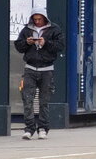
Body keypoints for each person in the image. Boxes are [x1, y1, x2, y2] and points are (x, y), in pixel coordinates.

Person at [13, 9, 65, 140]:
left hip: (47, 69)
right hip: (30, 68)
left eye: (39, 19)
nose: (37, 21)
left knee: (44, 101)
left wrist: (45, 43)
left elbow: (60, 46)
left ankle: (43, 128)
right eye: (35, 19)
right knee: (27, 99)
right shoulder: (27, 30)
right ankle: (29, 128)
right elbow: (18, 46)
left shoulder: (54, 29)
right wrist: (27, 42)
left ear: (45, 19)